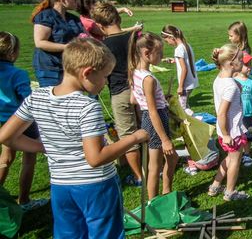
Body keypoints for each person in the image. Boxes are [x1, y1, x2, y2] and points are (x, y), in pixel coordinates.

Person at [1, 37, 148, 238]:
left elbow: (6, 136)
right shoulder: (88, 107)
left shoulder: (36, 97)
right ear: (87, 73)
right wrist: (134, 138)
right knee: (105, 233)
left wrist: (43, 147)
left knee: (69, 234)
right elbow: (95, 158)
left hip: (61, 186)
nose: (105, 83)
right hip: (96, 186)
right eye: (105, 76)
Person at [91, 1, 144, 187]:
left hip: (120, 92)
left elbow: (103, 75)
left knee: (128, 136)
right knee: (144, 128)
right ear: (119, 18)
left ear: (99, 25)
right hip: (140, 89)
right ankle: (153, 168)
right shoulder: (135, 37)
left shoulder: (104, 46)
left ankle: (139, 177)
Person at [0, 31, 48, 212]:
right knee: (29, 159)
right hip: (22, 122)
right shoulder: (17, 74)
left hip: (3, 121)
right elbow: (27, 99)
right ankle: (24, 200)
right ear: (12, 53)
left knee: (5, 158)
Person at [128, 32, 179, 200]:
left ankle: (164, 194)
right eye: (160, 52)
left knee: (161, 162)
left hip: (149, 119)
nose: (162, 56)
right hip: (155, 120)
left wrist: (161, 99)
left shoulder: (135, 72)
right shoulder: (148, 78)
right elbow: (152, 110)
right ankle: (156, 200)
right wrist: (165, 139)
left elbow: (133, 99)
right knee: (157, 165)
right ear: (147, 53)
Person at [208, 44, 249, 201]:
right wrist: (226, 134)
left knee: (229, 158)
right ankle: (230, 192)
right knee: (235, 162)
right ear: (232, 64)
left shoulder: (219, 79)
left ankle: (215, 185)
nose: (243, 62)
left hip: (223, 130)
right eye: (240, 59)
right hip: (231, 132)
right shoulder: (230, 86)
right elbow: (222, 113)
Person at [30, 0, 85, 87]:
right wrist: (68, 47)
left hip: (70, 67)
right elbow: (40, 42)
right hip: (49, 68)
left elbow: (84, 36)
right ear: (63, 0)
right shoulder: (45, 16)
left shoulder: (74, 19)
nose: (77, 1)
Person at [161, 24, 199, 110]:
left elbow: (184, 69)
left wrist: (181, 86)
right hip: (192, 81)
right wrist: (174, 60)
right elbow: (187, 61)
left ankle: (191, 121)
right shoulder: (186, 45)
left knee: (182, 109)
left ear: (171, 37)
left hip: (186, 84)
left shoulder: (178, 49)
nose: (168, 44)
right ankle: (191, 120)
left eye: (167, 41)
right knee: (184, 105)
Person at [234, 52, 252, 167]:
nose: (249, 67)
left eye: (250, 64)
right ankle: (237, 154)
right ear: (238, 65)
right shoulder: (233, 81)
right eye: (246, 65)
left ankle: (247, 154)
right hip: (237, 115)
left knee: (249, 135)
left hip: (249, 114)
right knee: (237, 135)